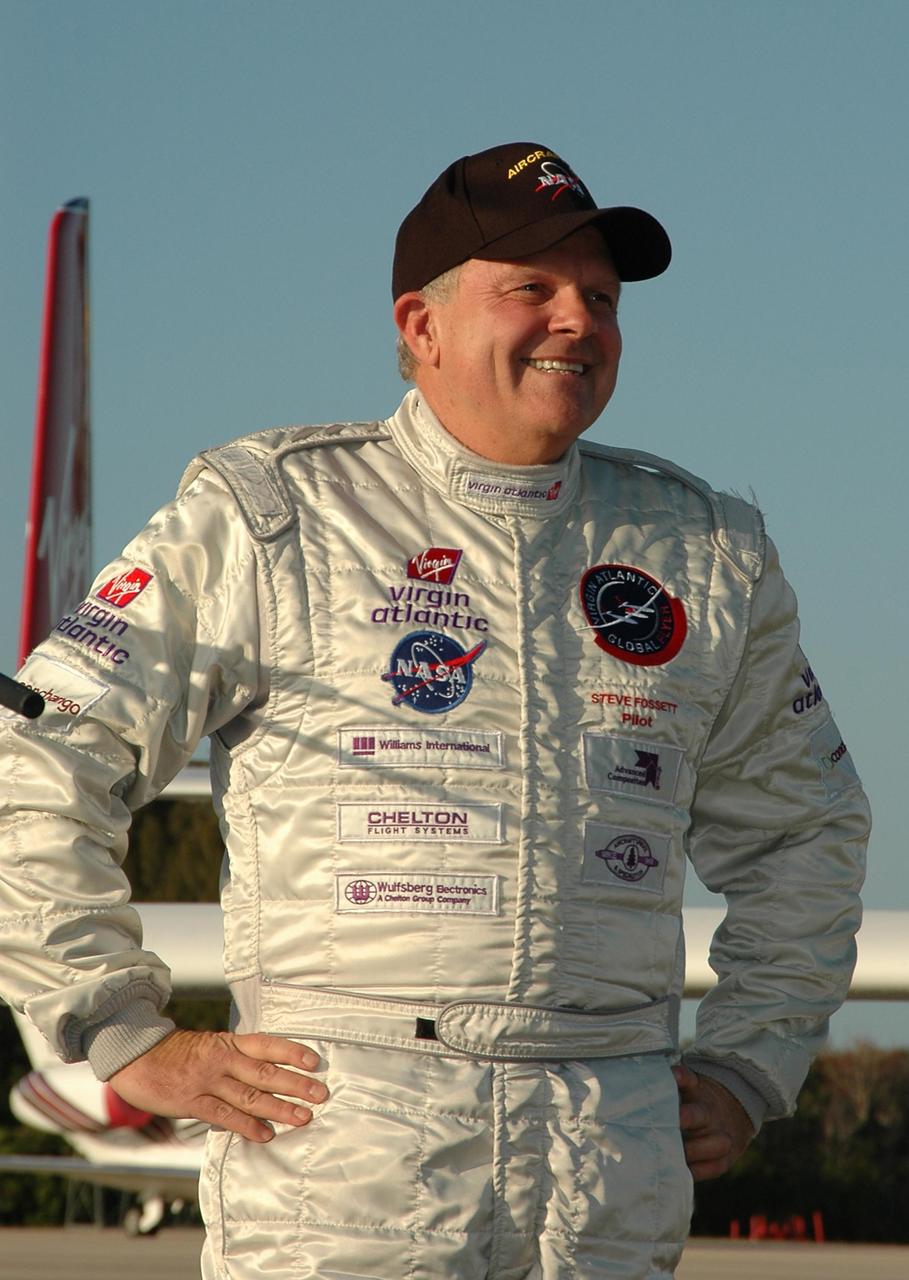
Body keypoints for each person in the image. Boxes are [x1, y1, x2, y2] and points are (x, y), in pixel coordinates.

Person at [0, 142, 869, 1278]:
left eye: (600, 297)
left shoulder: (704, 552)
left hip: (608, 1160)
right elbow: (45, 750)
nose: (579, 320)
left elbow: (810, 826)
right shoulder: (275, 514)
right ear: (423, 327)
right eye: (534, 289)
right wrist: (121, 1031)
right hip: (341, 1150)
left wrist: (754, 1061)